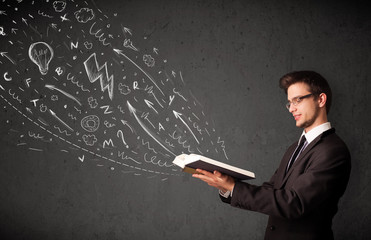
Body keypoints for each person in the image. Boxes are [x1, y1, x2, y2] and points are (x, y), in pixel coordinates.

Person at [193, 71, 351, 240]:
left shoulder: (333, 151)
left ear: (321, 99)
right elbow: (272, 190)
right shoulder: (294, 148)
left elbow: (294, 203)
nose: (291, 108)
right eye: (289, 103)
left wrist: (234, 187)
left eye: (298, 100)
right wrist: (226, 186)